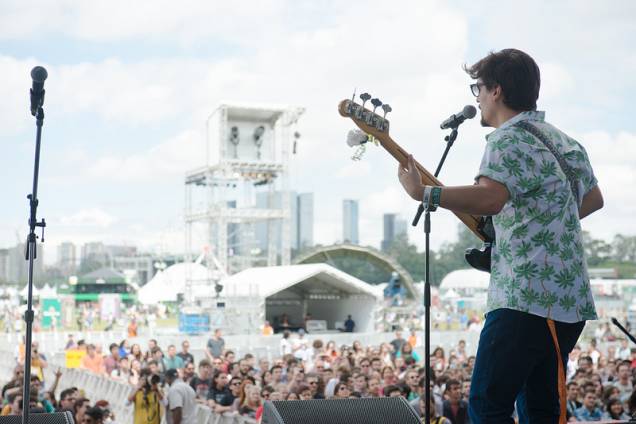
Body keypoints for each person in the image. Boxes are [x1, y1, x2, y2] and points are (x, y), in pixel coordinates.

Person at [397, 48, 604, 424]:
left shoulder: (506, 140)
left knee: (488, 404)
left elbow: (491, 198)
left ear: (496, 91)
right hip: (569, 301)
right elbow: (593, 198)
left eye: (478, 87)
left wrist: (424, 194)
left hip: (523, 296)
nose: (475, 96)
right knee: (541, 408)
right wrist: (541, 223)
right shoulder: (566, 142)